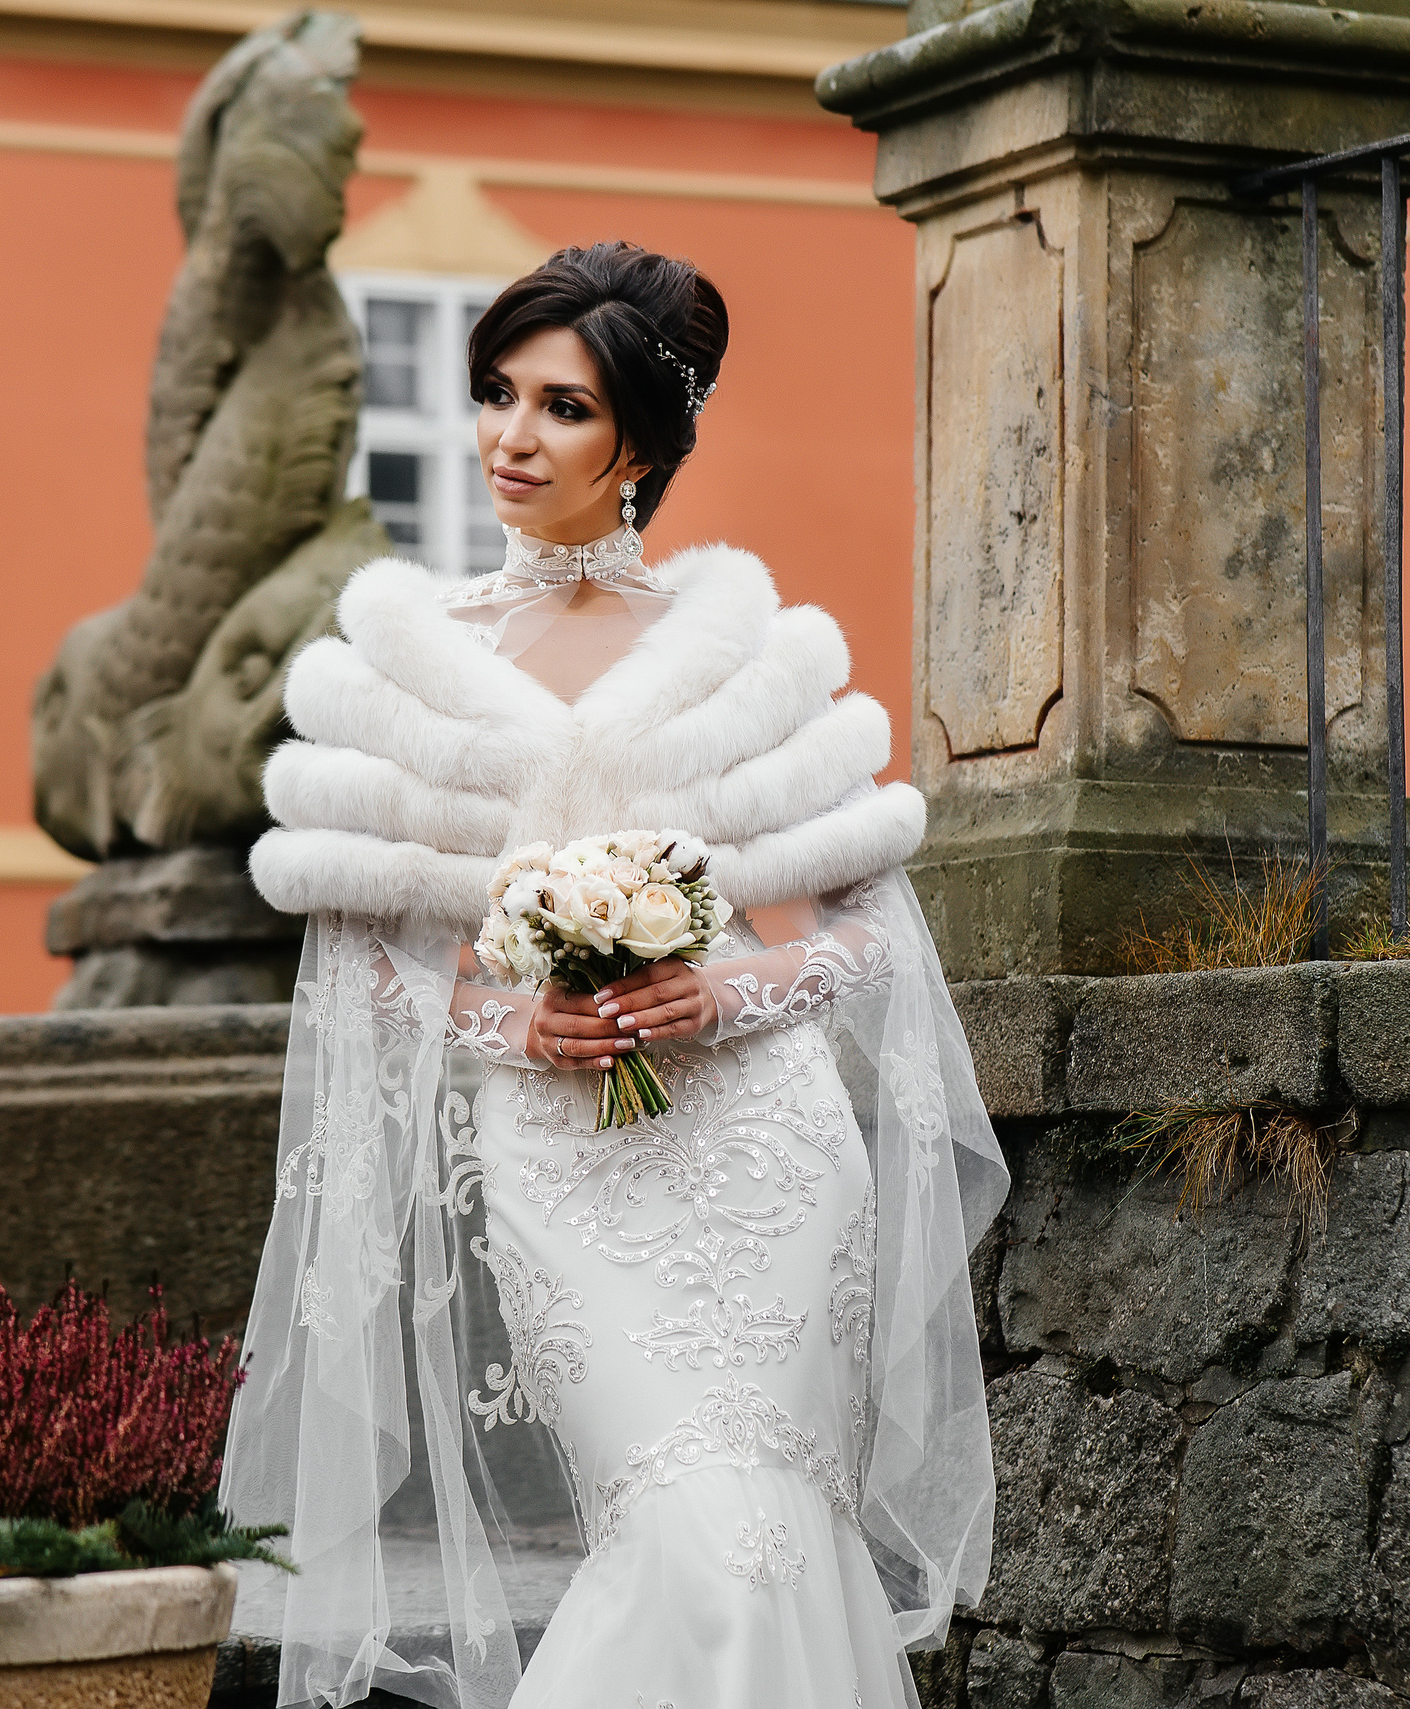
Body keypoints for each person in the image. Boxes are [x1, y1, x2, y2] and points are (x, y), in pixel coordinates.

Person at [222, 241, 1008, 1709]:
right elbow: (367, 958)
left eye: (562, 407)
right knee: (687, 1533)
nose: (513, 437)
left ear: (640, 440)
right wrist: (512, 1017)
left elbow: (864, 926)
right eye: (498, 395)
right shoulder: (410, 664)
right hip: (567, 1167)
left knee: (773, 1532)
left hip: (766, 1156)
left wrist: (730, 993)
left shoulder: (742, 655)